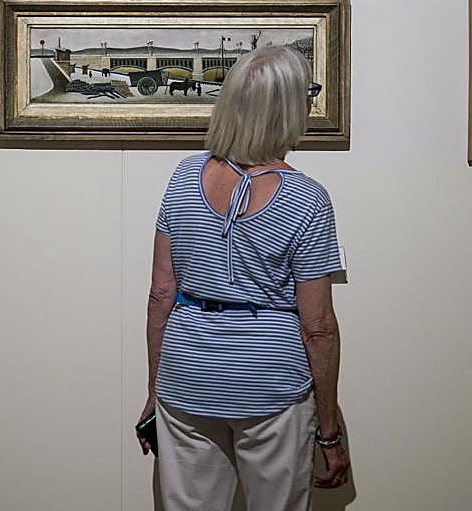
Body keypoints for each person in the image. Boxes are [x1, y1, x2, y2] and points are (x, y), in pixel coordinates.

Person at [138, 45, 350, 511]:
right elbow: (318, 327)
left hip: (186, 377)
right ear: (288, 108)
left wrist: (155, 390)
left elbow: (160, 294)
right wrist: (329, 432)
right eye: (308, 95)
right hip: (271, 385)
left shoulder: (183, 176)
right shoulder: (308, 199)